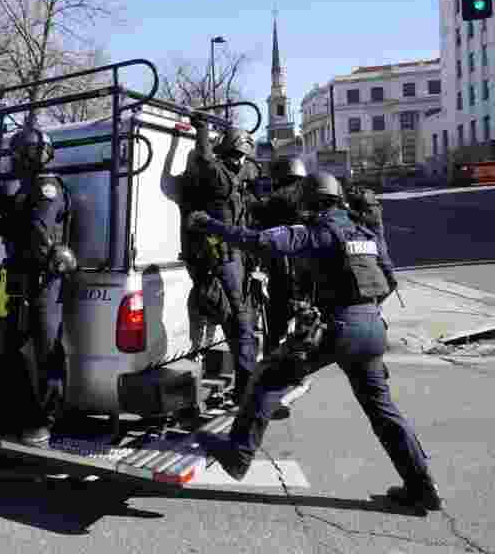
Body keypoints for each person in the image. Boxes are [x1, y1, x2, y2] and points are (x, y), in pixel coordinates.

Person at [186, 172, 441, 512]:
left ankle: (238, 454)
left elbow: (260, 242)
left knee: (267, 377)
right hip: (373, 328)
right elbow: (389, 279)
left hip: (338, 328)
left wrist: (209, 224)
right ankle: (422, 487)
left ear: (311, 201)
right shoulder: (364, 232)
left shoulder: (318, 231)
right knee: (383, 412)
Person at [0, 125, 76, 444]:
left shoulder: (46, 187)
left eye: (15, 156)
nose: (13, 162)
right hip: (17, 276)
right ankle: (17, 414)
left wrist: (10, 224)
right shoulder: (27, 186)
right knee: (11, 347)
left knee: (45, 350)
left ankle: (43, 420)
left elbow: (39, 234)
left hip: (41, 279)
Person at [184, 114, 259, 401]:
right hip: (230, 259)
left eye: (242, 157)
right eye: (238, 155)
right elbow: (204, 158)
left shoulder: (224, 178)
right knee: (238, 320)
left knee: (238, 321)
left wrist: (201, 129)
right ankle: (246, 384)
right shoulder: (231, 179)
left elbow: (203, 158)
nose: (241, 162)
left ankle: (246, 384)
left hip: (227, 260)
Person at [248, 157, 309, 357]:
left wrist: (246, 193)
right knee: (301, 318)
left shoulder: (279, 198)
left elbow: (257, 214)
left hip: (283, 268)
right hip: (306, 270)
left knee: (276, 319)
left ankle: (274, 359)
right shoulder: (310, 196)